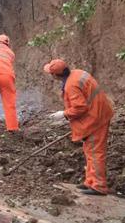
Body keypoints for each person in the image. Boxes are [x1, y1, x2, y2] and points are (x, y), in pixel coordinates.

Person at [43, 59, 114, 195]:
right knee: (90, 150)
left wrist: (63, 114)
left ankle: (99, 186)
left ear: (55, 75)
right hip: (98, 112)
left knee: (95, 152)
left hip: (96, 118)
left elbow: (80, 107)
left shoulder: (71, 86)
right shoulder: (77, 73)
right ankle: (90, 181)